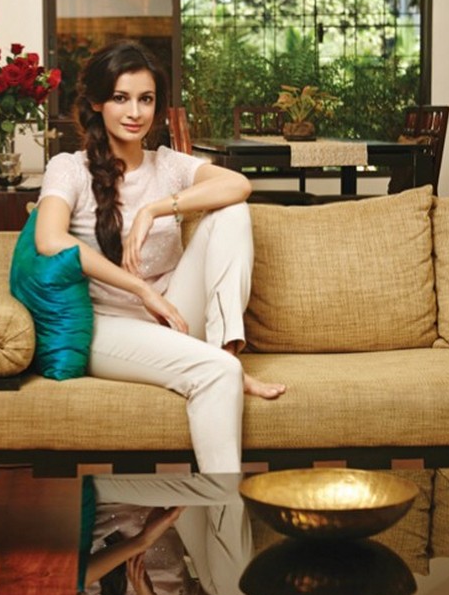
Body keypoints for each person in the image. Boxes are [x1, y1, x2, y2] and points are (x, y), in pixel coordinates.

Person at [35, 39, 285, 473]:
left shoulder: (168, 164)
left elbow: (238, 185)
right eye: (121, 98)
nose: (135, 112)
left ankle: (225, 350)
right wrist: (139, 288)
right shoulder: (69, 168)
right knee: (216, 375)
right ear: (96, 102)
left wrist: (154, 209)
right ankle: (222, 504)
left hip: (175, 314)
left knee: (232, 211)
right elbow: (49, 240)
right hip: (108, 327)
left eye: (146, 99)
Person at [77, 500, 254, 595]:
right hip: (165, 496)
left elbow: (69, 579)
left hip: (112, 496)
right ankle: (225, 490)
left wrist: (142, 541)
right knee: (237, 594)